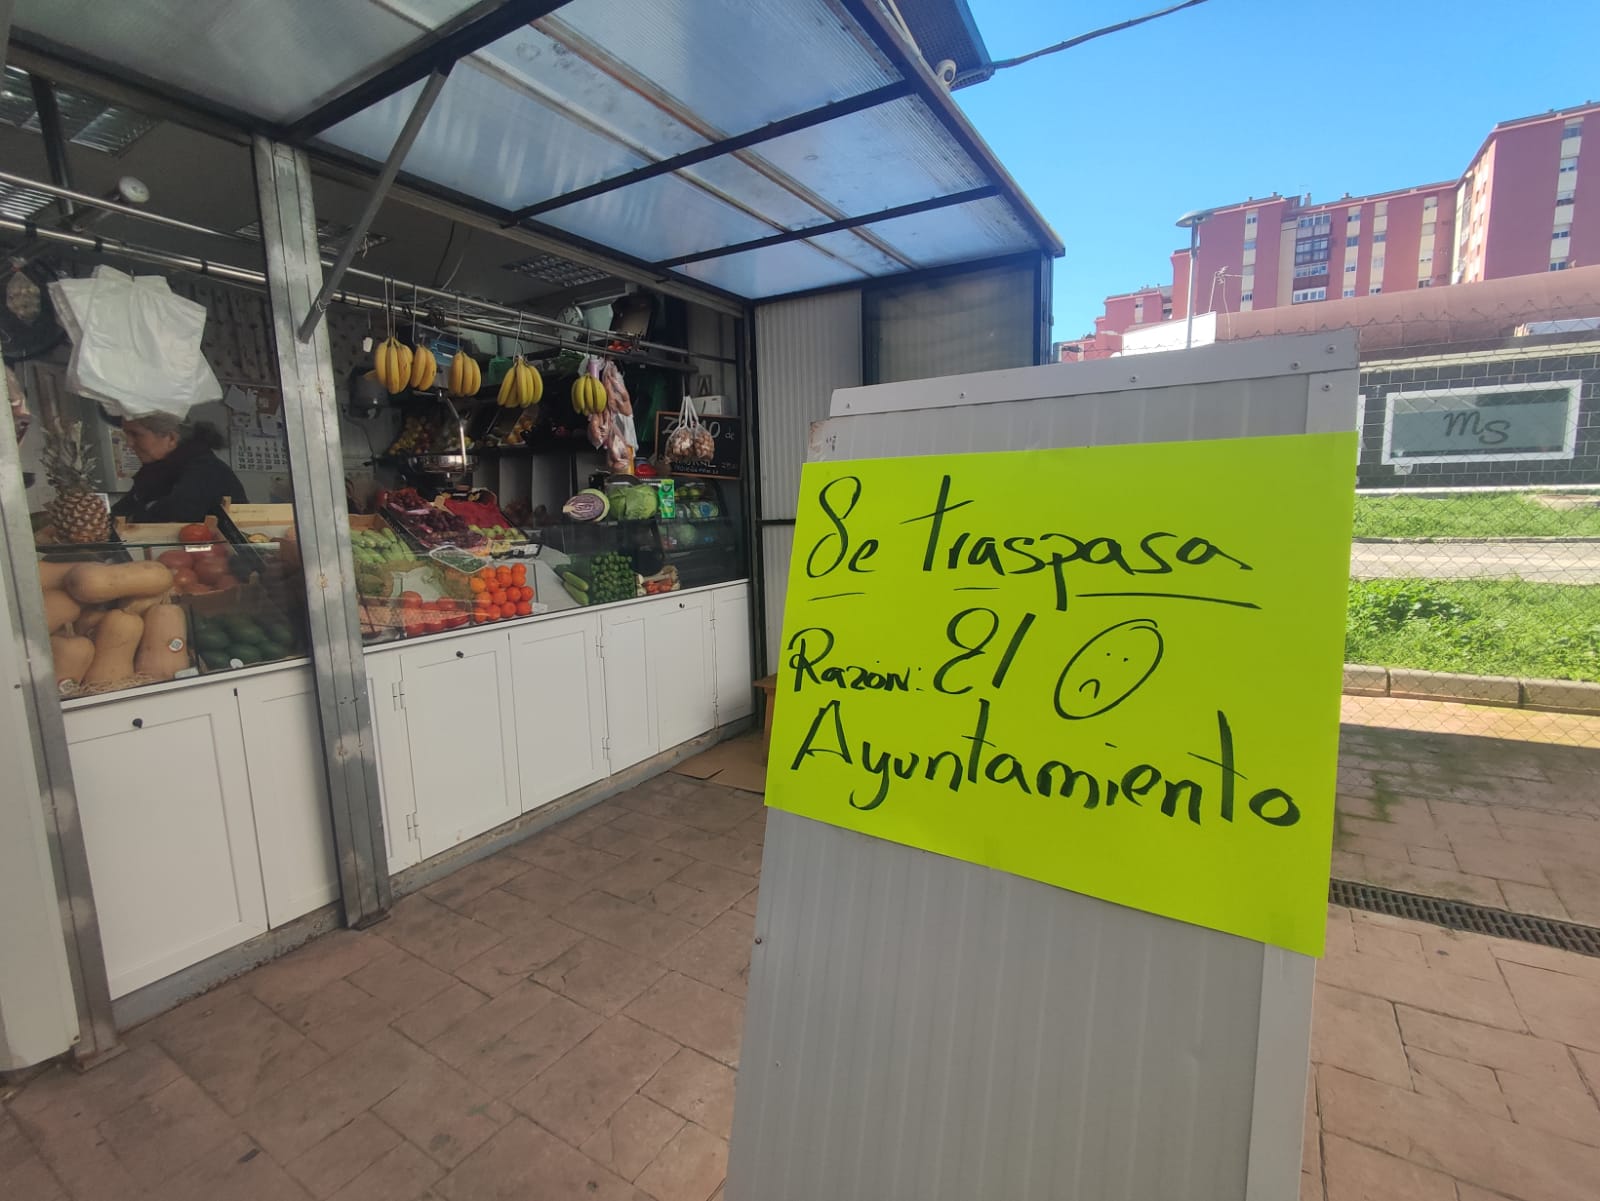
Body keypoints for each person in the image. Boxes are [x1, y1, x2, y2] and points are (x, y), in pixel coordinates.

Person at [110, 413, 246, 523]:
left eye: (135, 434)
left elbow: (167, 518)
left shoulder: (205, 471)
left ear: (171, 438)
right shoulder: (155, 473)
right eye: (126, 434)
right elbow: (119, 513)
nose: (129, 443)